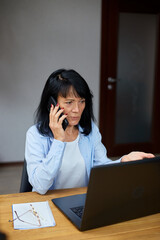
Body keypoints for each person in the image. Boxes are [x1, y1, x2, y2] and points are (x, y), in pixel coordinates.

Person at [25, 69, 154, 194]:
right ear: (51, 104)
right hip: (47, 205)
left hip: (80, 202)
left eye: (81, 101)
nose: (77, 109)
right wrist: (58, 140)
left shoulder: (89, 130)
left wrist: (123, 161)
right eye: (69, 102)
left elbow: (102, 169)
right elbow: (40, 186)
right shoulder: (35, 135)